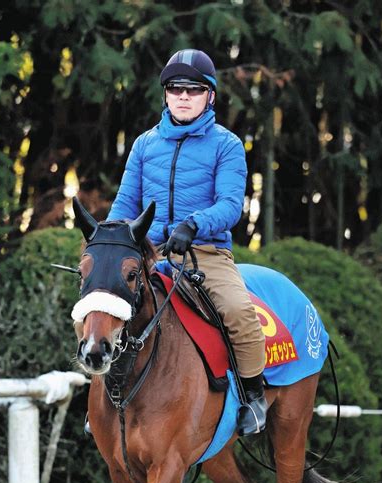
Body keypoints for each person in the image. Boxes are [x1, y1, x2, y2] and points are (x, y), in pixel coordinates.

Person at [107, 49, 267, 436]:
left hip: (204, 251)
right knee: (104, 306)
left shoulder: (227, 145)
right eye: (175, 88)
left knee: (238, 312)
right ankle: (102, 403)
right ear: (165, 94)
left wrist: (193, 225)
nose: (183, 96)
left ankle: (253, 396)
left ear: (209, 96)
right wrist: (111, 236)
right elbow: (125, 204)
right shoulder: (144, 145)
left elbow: (231, 205)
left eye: (193, 90)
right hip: (150, 254)